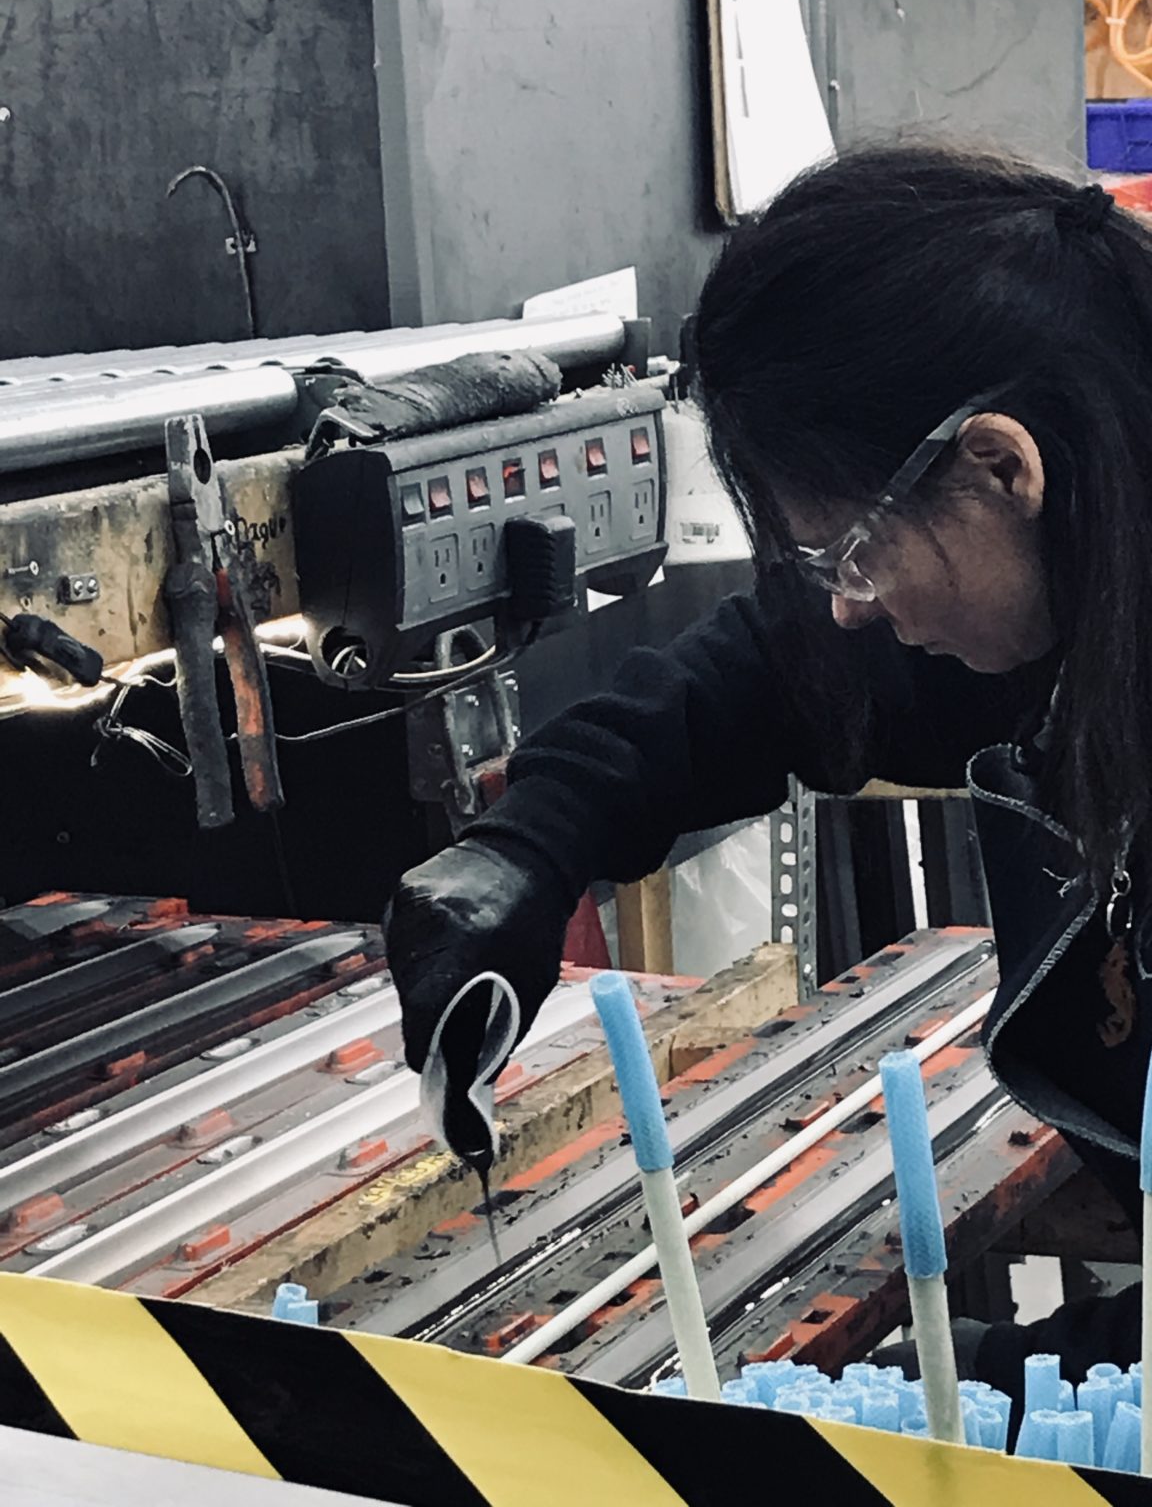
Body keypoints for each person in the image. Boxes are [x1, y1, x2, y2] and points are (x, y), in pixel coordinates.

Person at [386, 143, 1152, 1400]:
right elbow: (775, 677)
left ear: (1001, 467)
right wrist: (534, 840)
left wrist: (1013, 1391)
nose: (848, 605)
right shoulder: (1088, 570)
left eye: (855, 551)